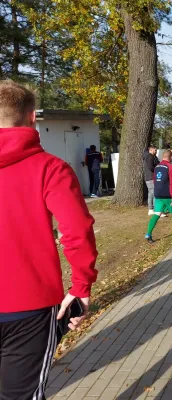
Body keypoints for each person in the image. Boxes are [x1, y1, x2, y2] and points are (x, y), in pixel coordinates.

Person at [0, 80, 98, 399]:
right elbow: (77, 231)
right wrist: (81, 287)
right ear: (32, 119)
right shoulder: (50, 168)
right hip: (29, 306)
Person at [145, 150, 172, 243]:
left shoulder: (157, 166)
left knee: (157, 214)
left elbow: (154, 180)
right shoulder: (171, 167)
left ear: (162, 157)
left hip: (158, 194)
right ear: (170, 157)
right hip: (168, 195)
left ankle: (148, 233)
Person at [144, 145, 160, 215]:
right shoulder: (150, 157)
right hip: (151, 177)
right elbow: (150, 167)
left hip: (149, 177)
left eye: (156, 150)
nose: (156, 151)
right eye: (155, 150)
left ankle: (151, 209)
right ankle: (154, 209)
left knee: (151, 193)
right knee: (153, 193)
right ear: (151, 150)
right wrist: (157, 170)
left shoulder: (153, 157)